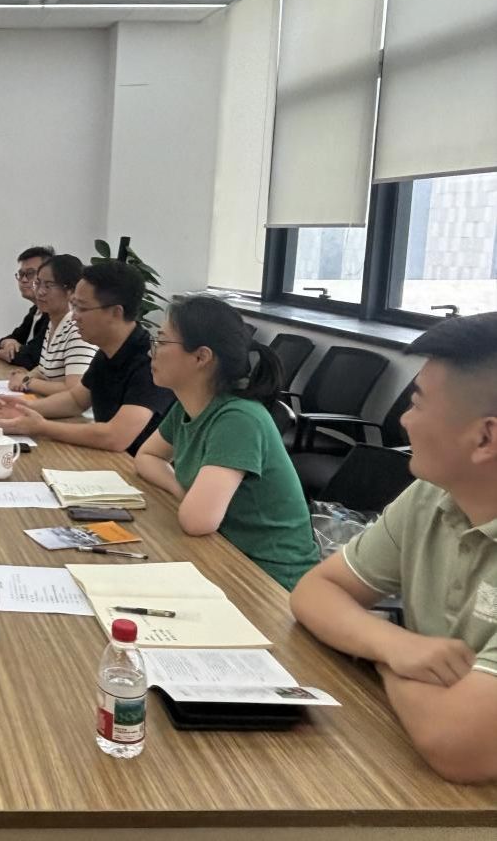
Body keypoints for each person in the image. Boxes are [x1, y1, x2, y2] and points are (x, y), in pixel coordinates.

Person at [291, 312, 497, 784]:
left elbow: (460, 746)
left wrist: (383, 659)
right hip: (418, 775)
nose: (404, 420)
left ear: (485, 437)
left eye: (418, 404)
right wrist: (397, 644)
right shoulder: (432, 496)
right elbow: (314, 592)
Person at [134, 295, 318, 590]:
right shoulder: (189, 404)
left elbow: (197, 521)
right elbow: (147, 457)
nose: (151, 351)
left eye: (162, 342)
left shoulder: (238, 419)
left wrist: (186, 497)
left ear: (201, 357)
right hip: (222, 551)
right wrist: (180, 489)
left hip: (269, 579)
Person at [0, 261, 174, 455]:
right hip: (109, 460)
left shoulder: (150, 361)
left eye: (82, 308)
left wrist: (41, 427)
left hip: (134, 467)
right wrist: (25, 407)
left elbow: (116, 437)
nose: (74, 316)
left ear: (115, 312)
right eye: (74, 306)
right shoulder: (107, 350)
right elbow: (76, 400)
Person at [3, 253, 96, 397]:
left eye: (48, 285)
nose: (40, 292)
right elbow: (44, 369)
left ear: (70, 290)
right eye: (38, 283)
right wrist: (25, 375)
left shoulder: (77, 329)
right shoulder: (54, 324)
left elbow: (75, 389)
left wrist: (27, 381)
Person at [0, 245, 54, 369]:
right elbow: (11, 339)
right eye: (21, 274)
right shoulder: (35, 310)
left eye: (30, 274)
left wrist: (0, 354)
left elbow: (32, 357)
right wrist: (8, 343)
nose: (23, 280)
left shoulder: (53, 313)